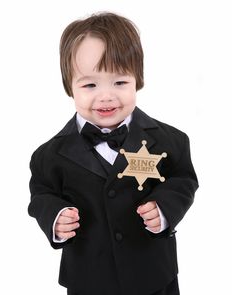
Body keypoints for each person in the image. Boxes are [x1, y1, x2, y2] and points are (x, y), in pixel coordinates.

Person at [28, 12, 198, 295]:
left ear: (137, 80)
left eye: (119, 82)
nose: (106, 96)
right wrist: (56, 217)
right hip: (88, 278)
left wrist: (165, 209)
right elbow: (41, 195)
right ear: (70, 86)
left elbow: (183, 180)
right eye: (90, 84)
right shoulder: (49, 155)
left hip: (153, 273)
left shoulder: (172, 141)